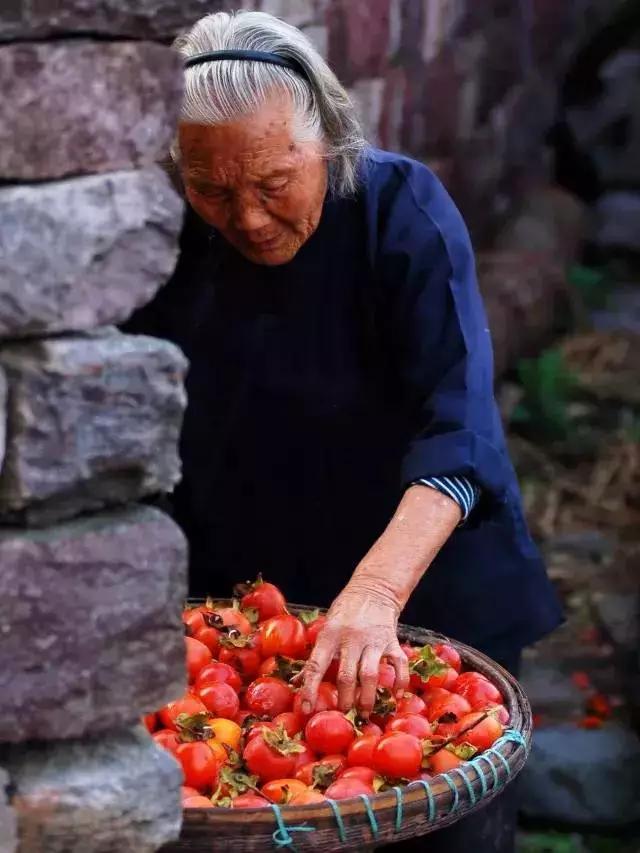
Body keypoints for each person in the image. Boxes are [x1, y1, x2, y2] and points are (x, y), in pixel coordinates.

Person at [125, 10, 563, 851]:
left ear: (326, 139)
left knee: (442, 826)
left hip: (417, 589)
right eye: (212, 188)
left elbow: (459, 422)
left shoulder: (402, 211)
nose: (247, 217)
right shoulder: (161, 232)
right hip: (253, 616)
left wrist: (376, 595)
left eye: (274, 181)